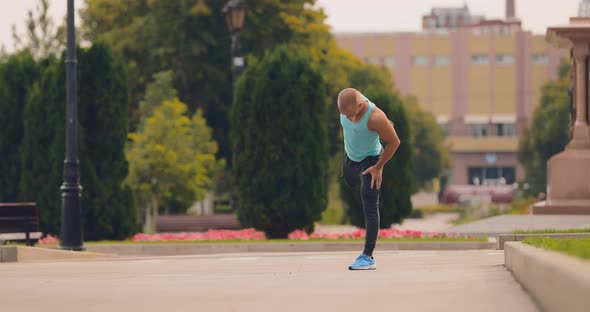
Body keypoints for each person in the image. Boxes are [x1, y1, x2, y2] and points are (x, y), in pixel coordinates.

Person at [338, 88, 401, 270]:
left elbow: (395, 142)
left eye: (351, 115)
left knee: (369, 203)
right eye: (344, 115)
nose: (348, 118)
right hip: (350, 157)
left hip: (370, 160)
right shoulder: (350, 100)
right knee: (349, 183)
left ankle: (367, 256)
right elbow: (350, 100)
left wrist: (378, 167)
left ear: (360, 105)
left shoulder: (375, 117)